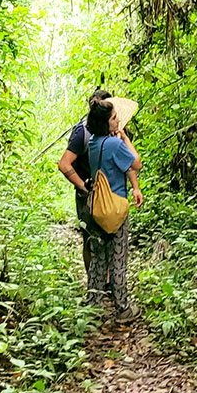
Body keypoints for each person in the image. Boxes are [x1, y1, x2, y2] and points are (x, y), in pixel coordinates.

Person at [84, 99, 144, 321]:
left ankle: (92, 306)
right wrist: (125, 138)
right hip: (115, 209)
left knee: (99, 259)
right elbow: (135, 163)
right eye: (113, 118)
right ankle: (123, 308)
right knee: (118, 258)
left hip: (96, 208)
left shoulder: (93, 143)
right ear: (105, 123)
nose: (118, 120)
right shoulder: (115, 144)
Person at [57, 89, 112, 271]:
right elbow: (64, 164)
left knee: (109, 240)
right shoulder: (82, 132)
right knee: (90, 239)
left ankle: (105, 283)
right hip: (88, 194)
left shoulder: (115, 129)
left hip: (110, 194)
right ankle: (93, 282)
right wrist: (83, 186)